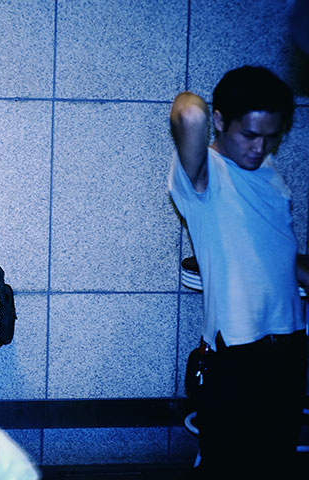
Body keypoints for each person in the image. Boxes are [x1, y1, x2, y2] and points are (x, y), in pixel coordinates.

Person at [168, 65, 308, 477]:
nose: (259, 147)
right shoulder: (203, 176)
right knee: (229, 466)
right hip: (237, 351)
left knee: (278, 463)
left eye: (271, 136)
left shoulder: (269, 172)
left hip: (289, 341)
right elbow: (188, 112)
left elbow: (278, 255)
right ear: (219, 120)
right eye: (249, 134)